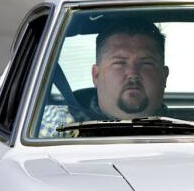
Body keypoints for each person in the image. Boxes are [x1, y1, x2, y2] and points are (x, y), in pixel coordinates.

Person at [37, 19, 170, 137]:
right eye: (119, 63)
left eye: (146, 63)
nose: (132, 73)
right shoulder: (56, 125)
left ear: (164, 76)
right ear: (96, 75)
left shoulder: (188, 132)